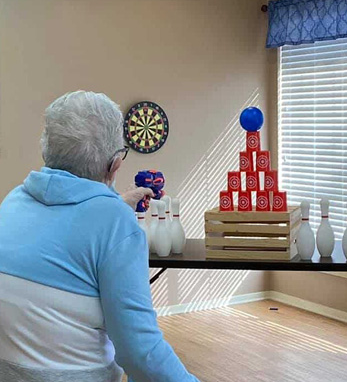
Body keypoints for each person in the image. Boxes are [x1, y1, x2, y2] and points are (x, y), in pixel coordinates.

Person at [0, 91, 199, 382]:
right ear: (115, 164)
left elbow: (67, 226)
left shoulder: (14, 201)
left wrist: (115, 204)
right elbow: (140, 353)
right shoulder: (114, 223)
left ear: (48, 149)